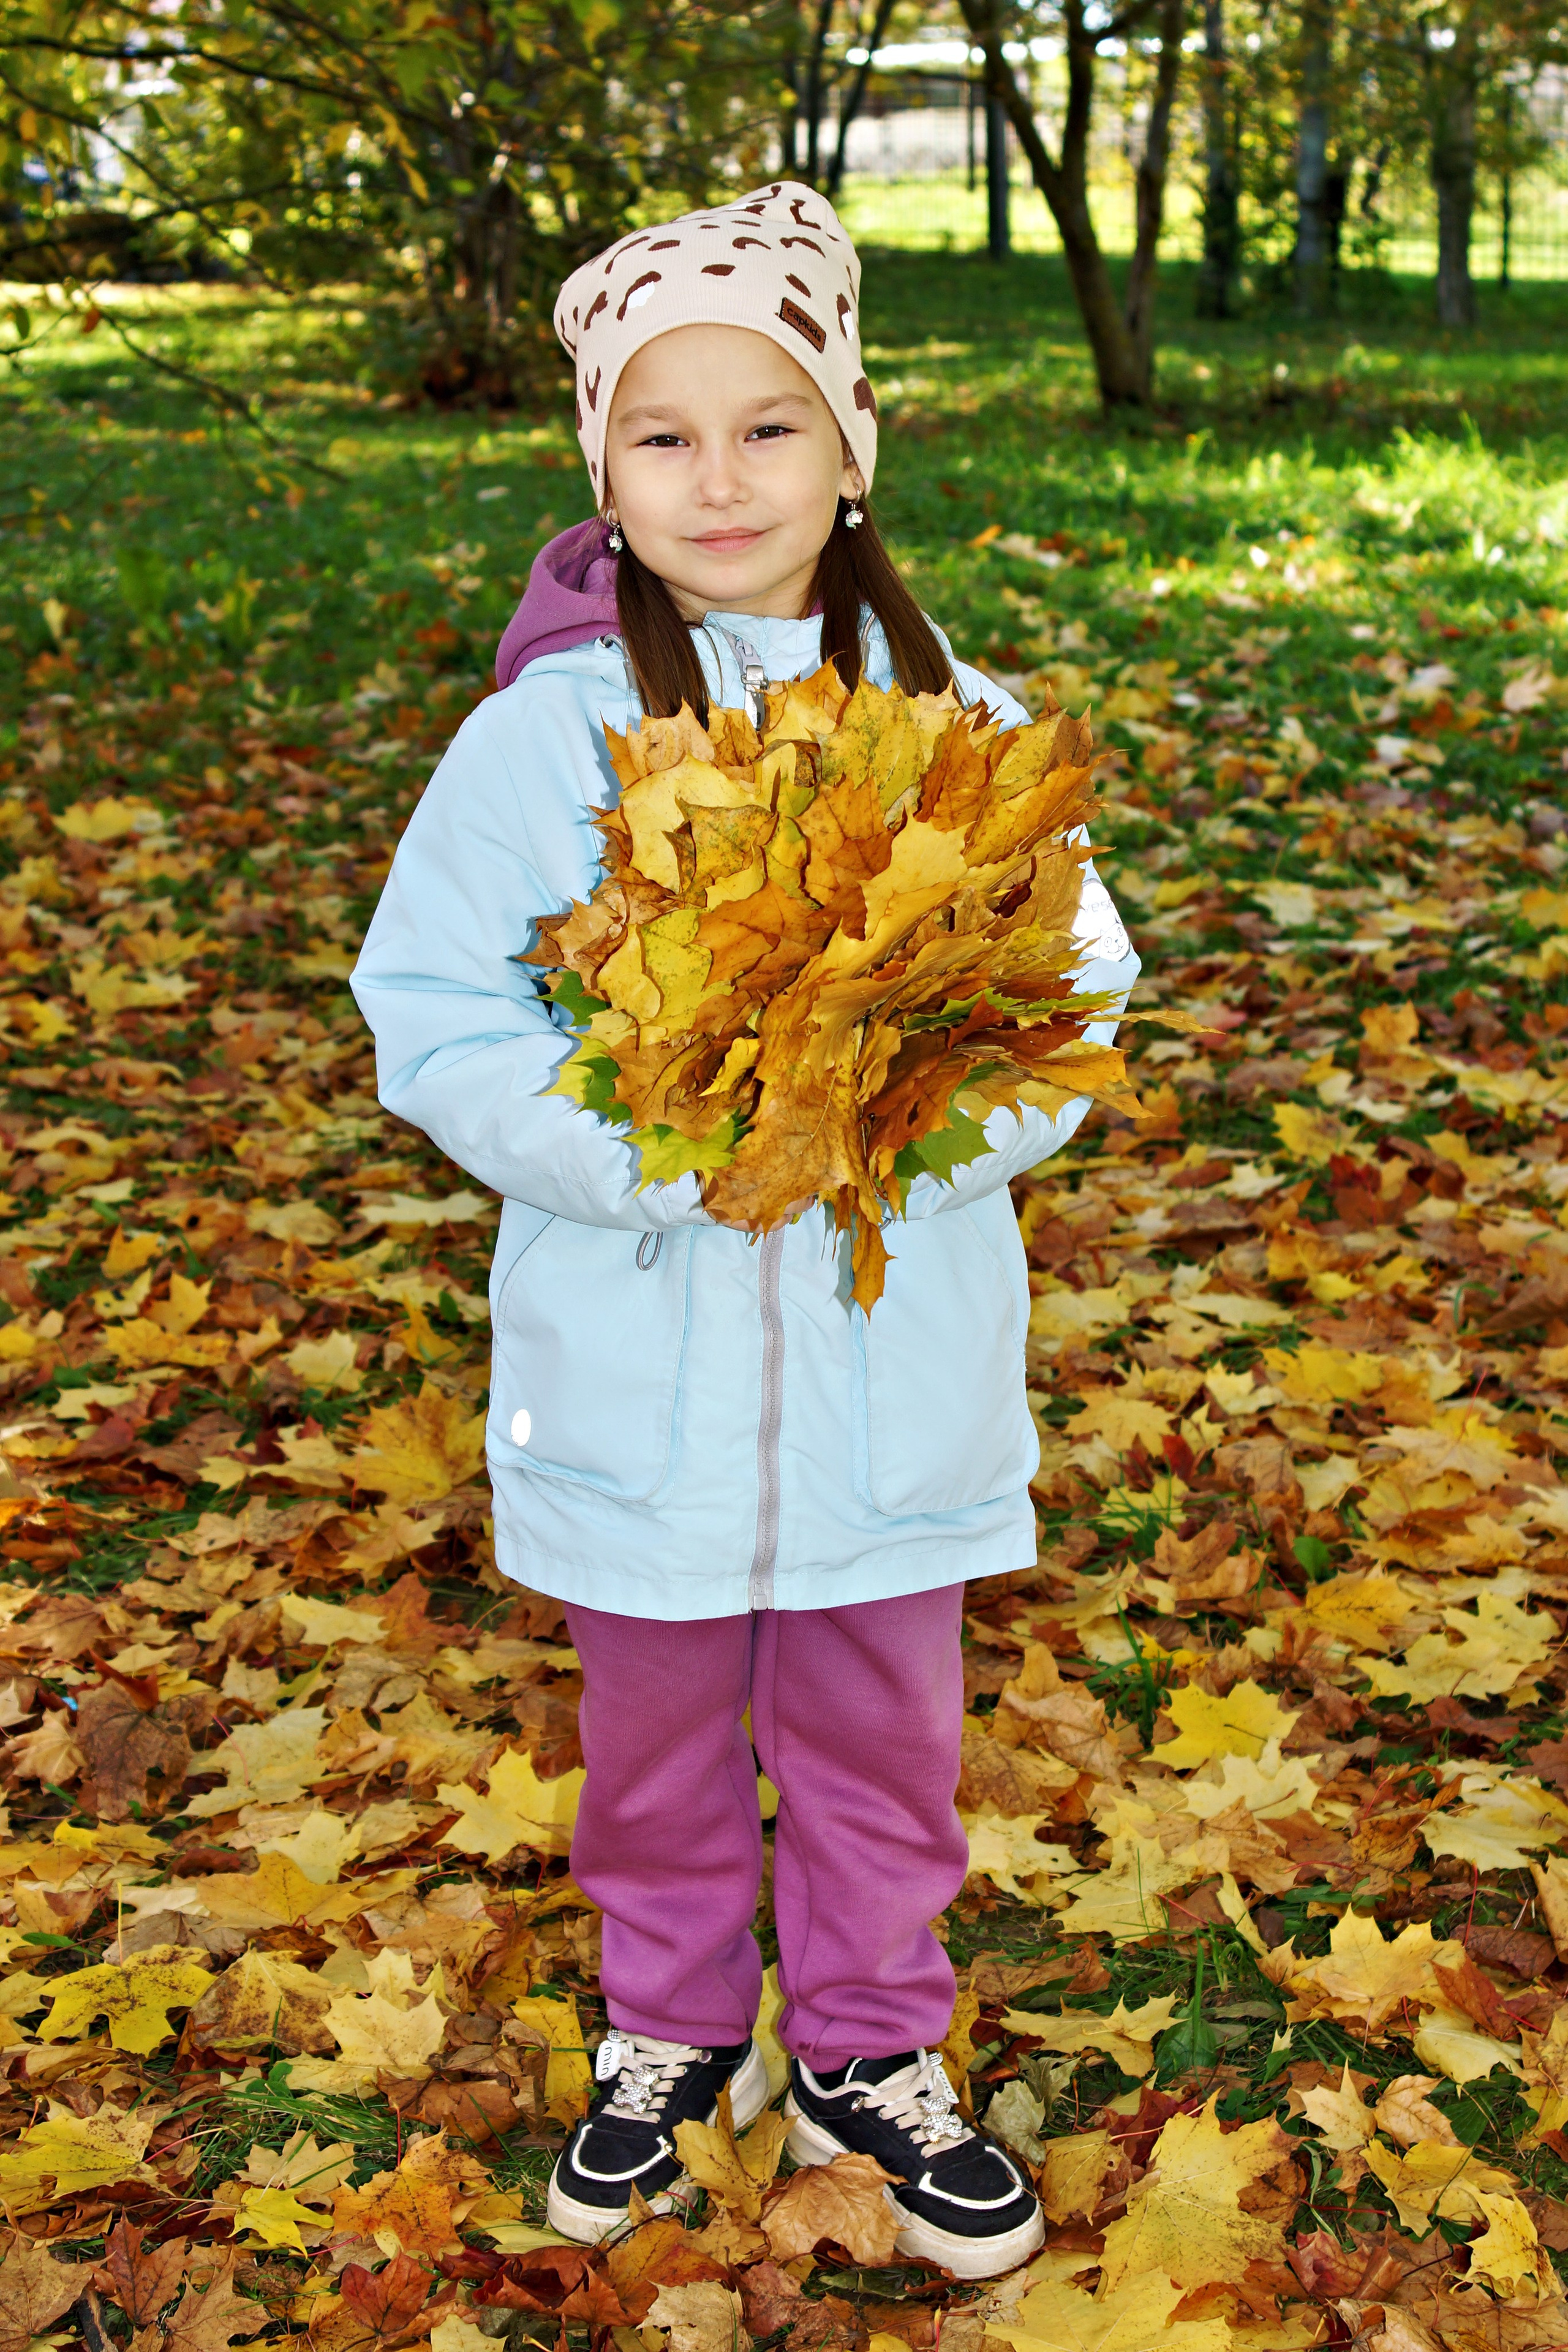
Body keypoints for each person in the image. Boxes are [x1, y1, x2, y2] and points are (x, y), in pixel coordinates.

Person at [353, 180, 1137, 2282]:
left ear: (850, 446)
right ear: (601, 471)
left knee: (887, 1742)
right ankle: (674, 2030)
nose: (720, 478)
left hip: (896, 1383)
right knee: (655, 1746)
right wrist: (653, 1153)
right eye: (664, 435)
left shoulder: (963, 722)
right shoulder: (543, 738)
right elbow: (431, 1012)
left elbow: (1074, 1002)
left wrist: (890, 1137)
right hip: (641, 1374)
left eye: (769, 425)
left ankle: (874, 2049)